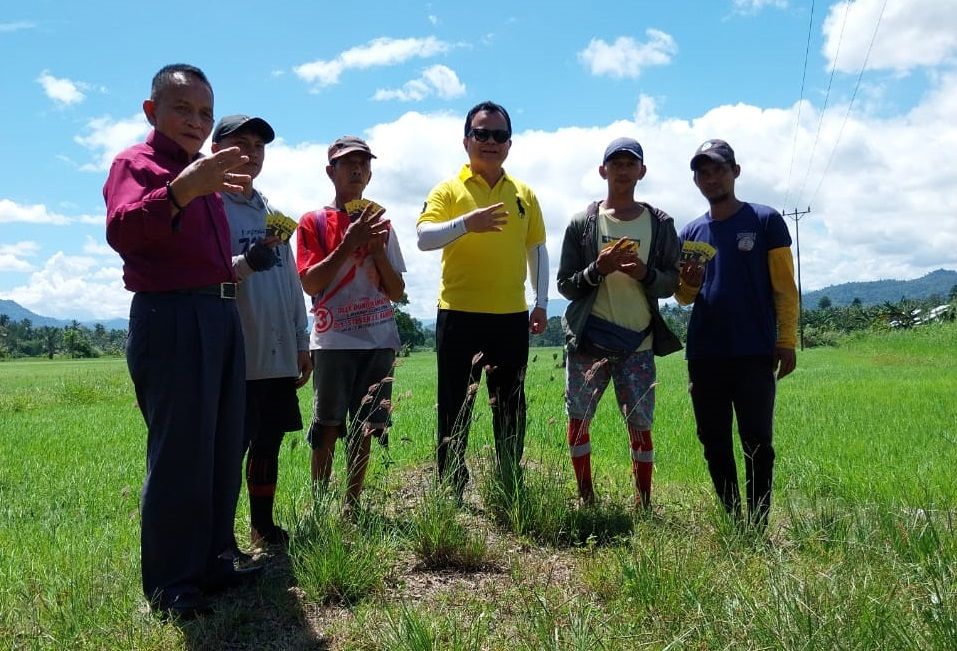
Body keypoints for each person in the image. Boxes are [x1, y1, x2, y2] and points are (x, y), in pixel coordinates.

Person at [104, 64, 261, 620]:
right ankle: (172, 583)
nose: (196, 122)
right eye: (182, 109)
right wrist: (181, 191)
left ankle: (214, 560)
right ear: (152, 112)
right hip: (171, 318)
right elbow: (123, 232)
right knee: (179, 454)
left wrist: (198, 185)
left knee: (222, 444)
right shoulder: (136, 164)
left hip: (220, 315)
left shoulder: (204, 175)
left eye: (204, 114)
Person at [417, 101, 548, 498]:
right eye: (481, 133)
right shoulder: (448, 190)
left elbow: (536, 248)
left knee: (510, 403)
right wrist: (466, 224)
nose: (490, 141)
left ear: (509, 143)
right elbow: (424, 237)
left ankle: (509, 477)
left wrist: (541, 301)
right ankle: (451, 484)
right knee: (455, 403)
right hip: (458, 314)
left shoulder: (523, 193)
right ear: (466, 140)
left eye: (499, 135)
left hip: (510, 315)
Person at [676, 138, 798, 529]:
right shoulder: (691, 231)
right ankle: (733, 521)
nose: (710, 178)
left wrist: (787, 341)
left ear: (736, 172)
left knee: (757, 441)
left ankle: (759, 522)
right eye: (702, 172)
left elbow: (784, 287)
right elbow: (682, 297)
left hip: (753, 351)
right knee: (713, 441)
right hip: (705, 353)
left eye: (718, 169)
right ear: (696, 180)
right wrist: (690, 284)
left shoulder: (765, 220)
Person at [557, 137, 681, 508]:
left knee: (641, 425)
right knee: (578, 420)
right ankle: (585, 496)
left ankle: (644, 501)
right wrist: (598, 269)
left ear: (642, 171)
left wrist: (644, 273)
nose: (623, 169)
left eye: (631, 163)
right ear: (603, 170)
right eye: (616, 163)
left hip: (638, 343)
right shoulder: (583, 223)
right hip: (588, 340)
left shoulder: (659, 224)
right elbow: (566, 284)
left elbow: (672, 282)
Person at [210, 115, 311, 550]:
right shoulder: (208, 206)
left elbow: (290, 281)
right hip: (232, 349)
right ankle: (219, 537)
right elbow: (205, 280)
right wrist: (245, 263)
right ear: (216, 151)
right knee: (229, 449)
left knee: (267, 443)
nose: (251, 153)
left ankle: (262, 526)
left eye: (258, 146)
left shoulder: (270, 211)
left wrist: (301, 340)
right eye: (240, 143)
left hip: (274, 349)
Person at [296, 136, 406, 513]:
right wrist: (348, 242)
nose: (357, 169)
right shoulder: (313, 221)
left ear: (370, 172)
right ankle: (320, 503)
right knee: (327, 424)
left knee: (365, 427)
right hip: (332, 339)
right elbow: (310, 282)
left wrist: (375, 249)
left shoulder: (383, 225)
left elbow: (397, 291)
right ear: (331, 171)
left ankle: (352, 505)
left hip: (378, 338)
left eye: (363, 163)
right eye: (347, 163)